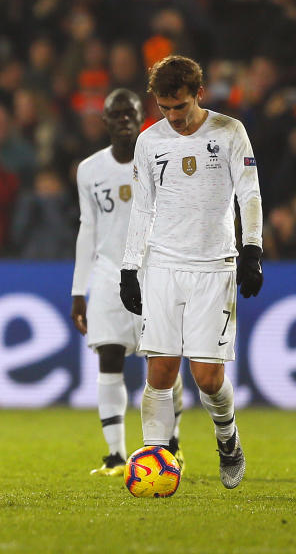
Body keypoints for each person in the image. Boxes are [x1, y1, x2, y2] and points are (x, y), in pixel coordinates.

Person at [120, 55, 263, 489]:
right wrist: (130, 267)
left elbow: (249, 193)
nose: (172, 117)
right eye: (164, 108)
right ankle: (154, 461)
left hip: (213, 266)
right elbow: (142, 206)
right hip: (162, 264)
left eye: (179, 107)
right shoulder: (149, 141)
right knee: (160, 372)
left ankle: (227, 437)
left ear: (198, 94)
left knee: (208, 379)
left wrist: (252, 249)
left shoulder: (229, 131)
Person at [72, 89, 184, 476]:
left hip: (156, 271)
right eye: (115, 114)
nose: (123, 119)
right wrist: (77, 290)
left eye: (130, 113)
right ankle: (116, 455)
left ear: (142, 117)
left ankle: (172, 444)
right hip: (106, 274)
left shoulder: (160, 157)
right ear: (104, 121)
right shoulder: (89, 170)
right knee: (109, 356)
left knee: (164, 363)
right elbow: (88, 229)